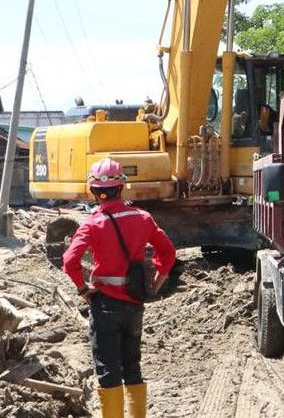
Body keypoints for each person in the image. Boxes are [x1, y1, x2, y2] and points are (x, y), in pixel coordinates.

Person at [62, 159, 176, 418]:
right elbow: (168, 253)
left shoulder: (93, 223)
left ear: (93, 191)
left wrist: (83, 289)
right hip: (135, 303)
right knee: (132, 366)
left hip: (104, 305)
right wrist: (155, 284)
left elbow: (70, 261)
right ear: (122, 187)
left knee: (108, 370)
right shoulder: (143, 218)